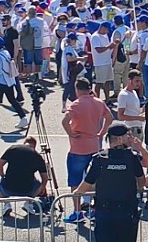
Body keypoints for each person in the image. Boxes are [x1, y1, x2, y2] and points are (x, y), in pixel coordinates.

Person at [73, 122, 147, 242]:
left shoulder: (100, 158)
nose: (131, 137)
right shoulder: (132, 157)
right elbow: (141, 181)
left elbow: (88, 182)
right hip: (126, 211)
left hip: (104, 211)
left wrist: (77, 192)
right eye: (128, 134)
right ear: (119, 138)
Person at [62, 78, 113, 223]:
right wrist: (101, 132)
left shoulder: (76, 104)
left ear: (77, 89)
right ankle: (95, 209)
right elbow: (109, 118)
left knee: (75, 180)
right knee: (95, 179)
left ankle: (77, 211)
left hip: (78, 147)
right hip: (95, 145)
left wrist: (71, 133)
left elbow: (64, 121)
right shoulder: (98, 102)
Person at [0, 137, 49, 216]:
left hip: (8, 187)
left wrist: (3, 176)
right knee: (38, 184)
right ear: (34, 146)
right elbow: (45, 178)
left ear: (24, 143)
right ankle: (29, 203)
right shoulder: (37, 156)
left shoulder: (13, 149)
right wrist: (43, 188)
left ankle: (6, 204)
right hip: (28, 189)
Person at [116, 70, 145, 141]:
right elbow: (120, 116)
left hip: (138, 128)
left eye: (140, 81)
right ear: (129, 80)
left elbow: (134, 110)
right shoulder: (123, 95)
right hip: (131, 129)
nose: (139, 83)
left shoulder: (134, 92)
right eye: (136, 81)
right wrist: (138, 118)